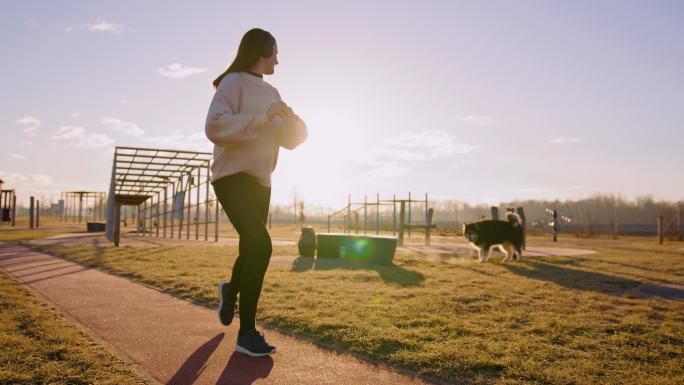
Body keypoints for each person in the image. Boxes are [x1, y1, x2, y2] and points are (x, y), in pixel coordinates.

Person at [205, 28, 308, 357]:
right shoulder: (233, 82)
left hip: (261, 180)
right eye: (275, 51)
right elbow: (215, 126)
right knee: (261, 244)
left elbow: (290, 140)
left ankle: (230, 290)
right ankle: (246, 334)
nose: (278, 59)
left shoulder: (273, 91)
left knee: (250, 247)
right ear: (260, 50)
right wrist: (263, 116)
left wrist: (292, 122)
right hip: (231, 177)